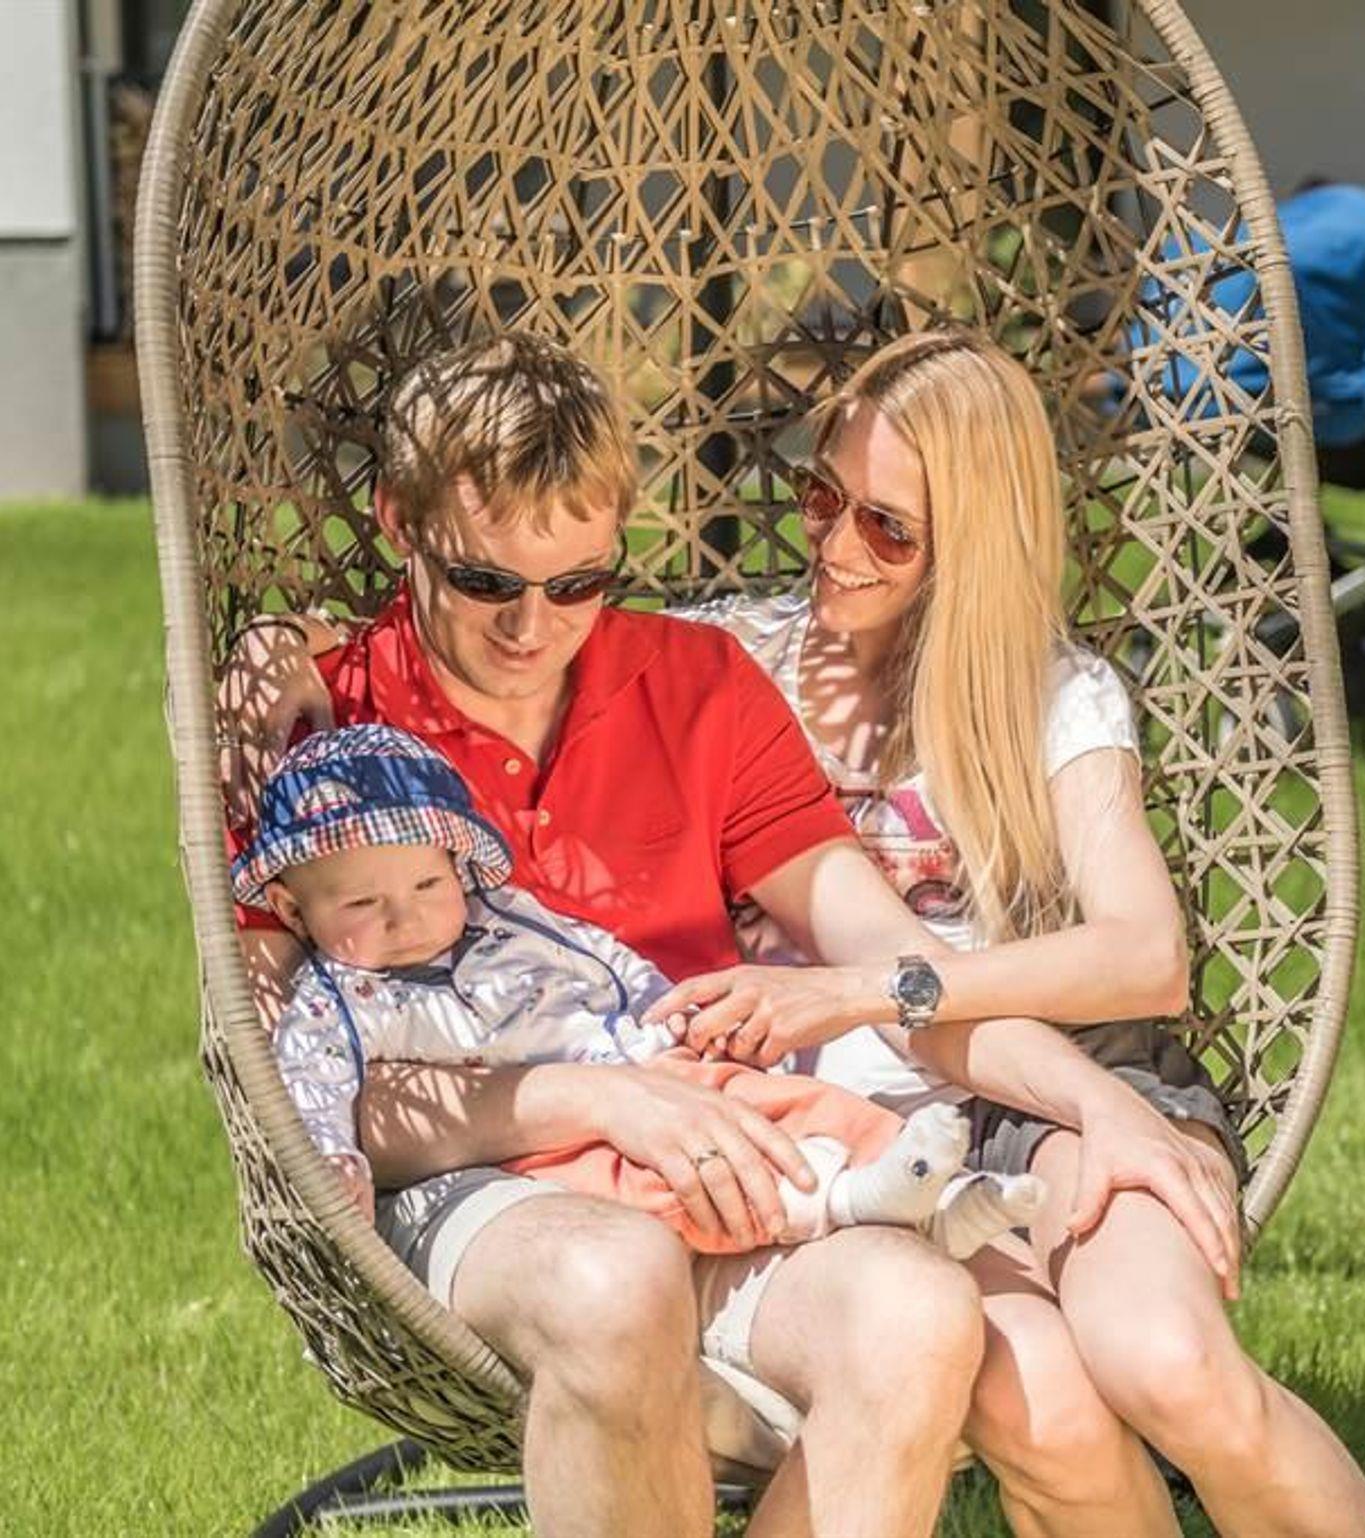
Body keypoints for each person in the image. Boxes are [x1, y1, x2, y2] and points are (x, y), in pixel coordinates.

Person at [221, 331, 1237, 1538]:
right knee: (617, 1277)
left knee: (916, 1315)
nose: (532, 629)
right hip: (478, 1182)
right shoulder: (322, 735)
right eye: (486, 581)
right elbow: (283, 1084)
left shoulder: (694, 684)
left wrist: (1093, 1098)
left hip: (728, 1155)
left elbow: (885, 956)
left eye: (578, 584)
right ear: (399, 522)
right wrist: (599, 1102)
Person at [649, 329, 1365, 1538]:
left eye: (887, 527)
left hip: (1050, 1078)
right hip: (853, 1131)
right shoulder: (734, 658)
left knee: (1168, 1365)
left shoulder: (1052, 696)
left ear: (975, 538)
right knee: (1044, 1407)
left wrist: (868, 988)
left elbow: (1144, 956)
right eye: (821, 496)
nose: (834, 545)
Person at [241, 723, 1043, 1265]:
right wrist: (334, 1156)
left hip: (642, 1062)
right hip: (535, 1146)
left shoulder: (501, 915)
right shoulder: (334, 1000)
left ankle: (941, 1190)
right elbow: (309, 1082)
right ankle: (849, 1201)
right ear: (292, 909)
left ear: (457, 866)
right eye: (362, 904)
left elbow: (598, 956)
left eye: (427, 884)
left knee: (781, 1100)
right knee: (661, 1186)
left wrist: (665, 1015)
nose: (407, 917)